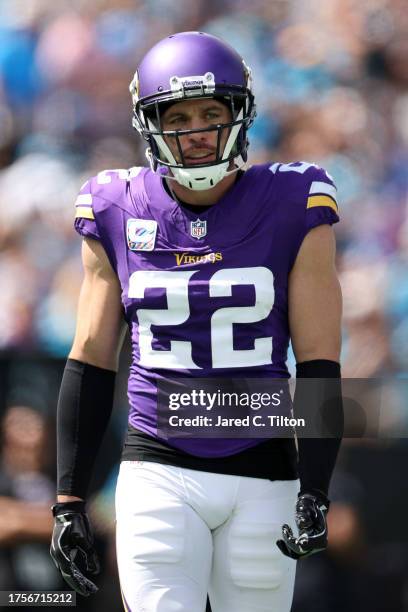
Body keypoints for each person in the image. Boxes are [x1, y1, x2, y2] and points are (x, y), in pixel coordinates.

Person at [50, 31, 343, 612]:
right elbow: (89, 356)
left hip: (265, 463)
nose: (198, 130)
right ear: (149, 124)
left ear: (240, 115)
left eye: (212, 112)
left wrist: (315, 487)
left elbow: (318, 359)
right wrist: (68, 499)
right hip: (157, 463)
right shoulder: (115, 205)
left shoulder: (295, 199)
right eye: (177, 115)